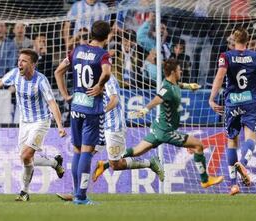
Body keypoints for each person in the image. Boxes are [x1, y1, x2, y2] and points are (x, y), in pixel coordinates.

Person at [95, 59, 224, 189]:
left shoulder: (173, 84)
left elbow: (178, 85)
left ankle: (104, 164)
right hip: (166, 132)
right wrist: (145, 109)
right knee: (198, 145)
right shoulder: (166, 88)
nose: (181, 71)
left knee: (135, 151)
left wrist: (189, 86)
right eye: (179, 70)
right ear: (173, 72)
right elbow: (157, 99)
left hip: (157, 129)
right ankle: (205, 180)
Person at [56, 74, 164, 202]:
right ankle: (77, 193)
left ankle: (150, 162)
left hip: (113, 126)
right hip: (97, 124)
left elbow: (114, 100)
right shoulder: (89, 77)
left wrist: (101, 112)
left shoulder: (108, 78)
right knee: (82, 154)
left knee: (115, 164)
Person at [0, 49, 67, 202]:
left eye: (24, 61)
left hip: (40, 121)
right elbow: (0, 81)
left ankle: (24, 192)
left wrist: (59, 125)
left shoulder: (41, 80)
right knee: (25, 158)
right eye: (19, 60)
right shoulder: (14, 74)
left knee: (26, 155)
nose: (20, 63)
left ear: (33, 64)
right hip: (24, 122)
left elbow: (52, 103)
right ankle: (54, 162)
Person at [55, 20, 112, 205]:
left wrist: (65, 95)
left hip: (76, 106)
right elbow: (107, 73)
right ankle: (80, 196)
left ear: (91, 34)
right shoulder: (103, 55)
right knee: (87, 151)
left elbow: (58, 72)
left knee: (78, 150)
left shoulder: (77, 50)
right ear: (108, 36)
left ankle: (76, 191)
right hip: (92, 108)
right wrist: (99, 85)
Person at [209, 27, 256, 195]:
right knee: (251, 137)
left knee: (232, 142)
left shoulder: (226, 56)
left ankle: (233, 184)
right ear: (247, 41)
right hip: (251, 102)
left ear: (234, 41)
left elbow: (220, 77)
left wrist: (211, 99)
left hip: (232, 103)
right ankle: (243, 162)